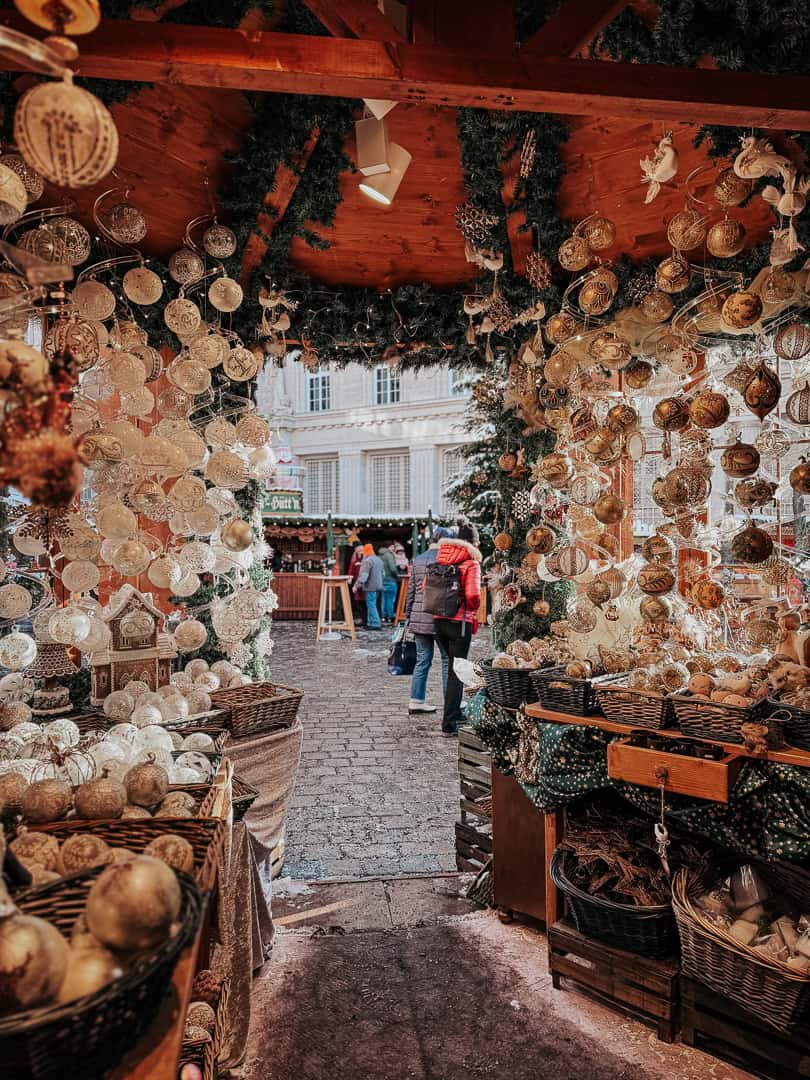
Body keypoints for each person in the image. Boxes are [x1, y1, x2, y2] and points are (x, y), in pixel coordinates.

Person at [432, 521, 482, 736]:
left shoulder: (441, 558)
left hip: (438, 620)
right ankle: (449, 723)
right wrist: (474, 607)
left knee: (450, 666)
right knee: (456, 672)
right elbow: (473, 596)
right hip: (459, 624)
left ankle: (452, 715)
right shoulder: (471, 563)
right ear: (473, 542)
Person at [404, 526, 452, 714]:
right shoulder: (447, 560)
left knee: (422, 660)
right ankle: (450, 701)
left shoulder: (419, 559)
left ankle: (416, 700)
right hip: (440, 617)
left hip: (418, 616)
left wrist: (409, 616)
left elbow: (411, 593)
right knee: (447, 659)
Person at [354, 543, 384, 629]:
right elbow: (383, 574)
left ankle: (375, 623)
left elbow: (364, 576)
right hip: (379, 586)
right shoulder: (379, 560)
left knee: (371, 605)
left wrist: (356, 586)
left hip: (370, 586)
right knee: (373, 604)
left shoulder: (367, 561)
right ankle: (371, 623)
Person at [378, 544, 400, 624]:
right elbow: (393, 568)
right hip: (391, 580)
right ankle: (390, 617)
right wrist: (397, 576)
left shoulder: (380, 555)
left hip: (382, 580)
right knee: (391, 599)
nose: (394, 549)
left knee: (384, 599)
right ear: (389, 547)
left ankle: (383, 617)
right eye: (393, 547)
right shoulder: (389, 555)